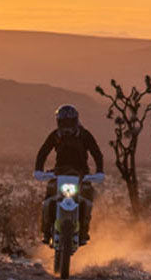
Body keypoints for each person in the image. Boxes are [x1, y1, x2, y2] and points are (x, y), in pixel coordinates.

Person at [33, 104, 105, 245]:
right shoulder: (55, 136)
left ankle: (84, 231)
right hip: (59, 173)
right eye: (63, 122)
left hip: (81, 174)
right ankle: (46, 231)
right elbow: (43, 152)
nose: (66, 125)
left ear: (75, 121)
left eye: (69, 122)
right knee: (48, 200)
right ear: (58, 122)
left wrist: (99, 171)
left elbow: (97, 153)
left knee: (87, 200)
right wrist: (38, 170)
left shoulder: (85, 135)